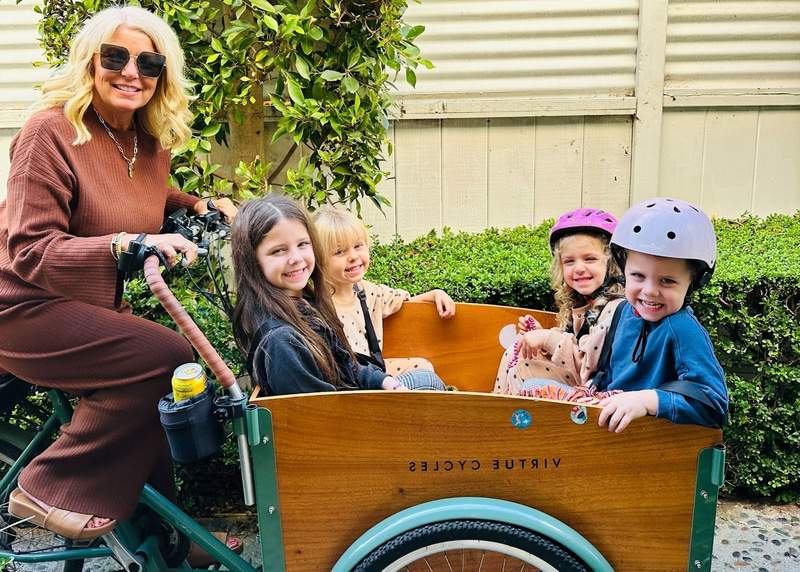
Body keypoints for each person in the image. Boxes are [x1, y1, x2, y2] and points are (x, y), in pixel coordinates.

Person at [0, 5, 239, 554]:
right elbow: (30, 250)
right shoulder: (51, 131)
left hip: (85, 306)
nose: (132, 73)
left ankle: (169, 541)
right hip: (22, 306)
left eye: (148, 63)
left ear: (162, 76)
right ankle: (48, 486)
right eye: (116, 57)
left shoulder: (149, 141)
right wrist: (128, 245)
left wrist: (200, 204)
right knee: (164, 353)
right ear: (90, 61)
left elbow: (144, 201)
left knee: (164, 387)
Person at [232, 195, 446, 395]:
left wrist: (384, 381)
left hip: (352, 397)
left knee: (426, 377)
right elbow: (321, 416)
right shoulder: (281, 341)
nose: (295, 258)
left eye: (302, 244)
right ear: (252, 261)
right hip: (349, 420)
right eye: (279, 251)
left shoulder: (305, 302)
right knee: (428, 384)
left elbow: (346, 363)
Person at [594, 198, 729, 433]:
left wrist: (647, 401)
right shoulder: (623, 312)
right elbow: (611, 375)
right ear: (624, 271)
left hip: (654, 448)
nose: (649, 291)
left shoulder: (682, 330)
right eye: (638, 276)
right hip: (610, 434)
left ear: (693, 282)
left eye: (667, 281)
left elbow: (713, 403)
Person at [493, 208, 625, 396]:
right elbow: (569, 352)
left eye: (590, 259)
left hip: (597, 395)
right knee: (517, 350)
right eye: (569, 261)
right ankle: (498, 409)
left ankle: (505, 417)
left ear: (611, 263)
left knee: (522, 369)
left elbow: (587, 368)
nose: (579, 268)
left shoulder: (614, 307)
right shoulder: (583, 302)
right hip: (578, 384)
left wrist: (547, 339)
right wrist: (539, 337)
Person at [312, 206, 455, 377]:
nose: (353, 256)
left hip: (375, 373)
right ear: (318, 259)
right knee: (425, 382)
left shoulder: (368, 292)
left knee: (423, 367)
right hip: (348, 382)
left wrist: (435, 294)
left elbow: (405, 303)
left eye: (358, 246)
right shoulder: (315, 304)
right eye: (339, 252)